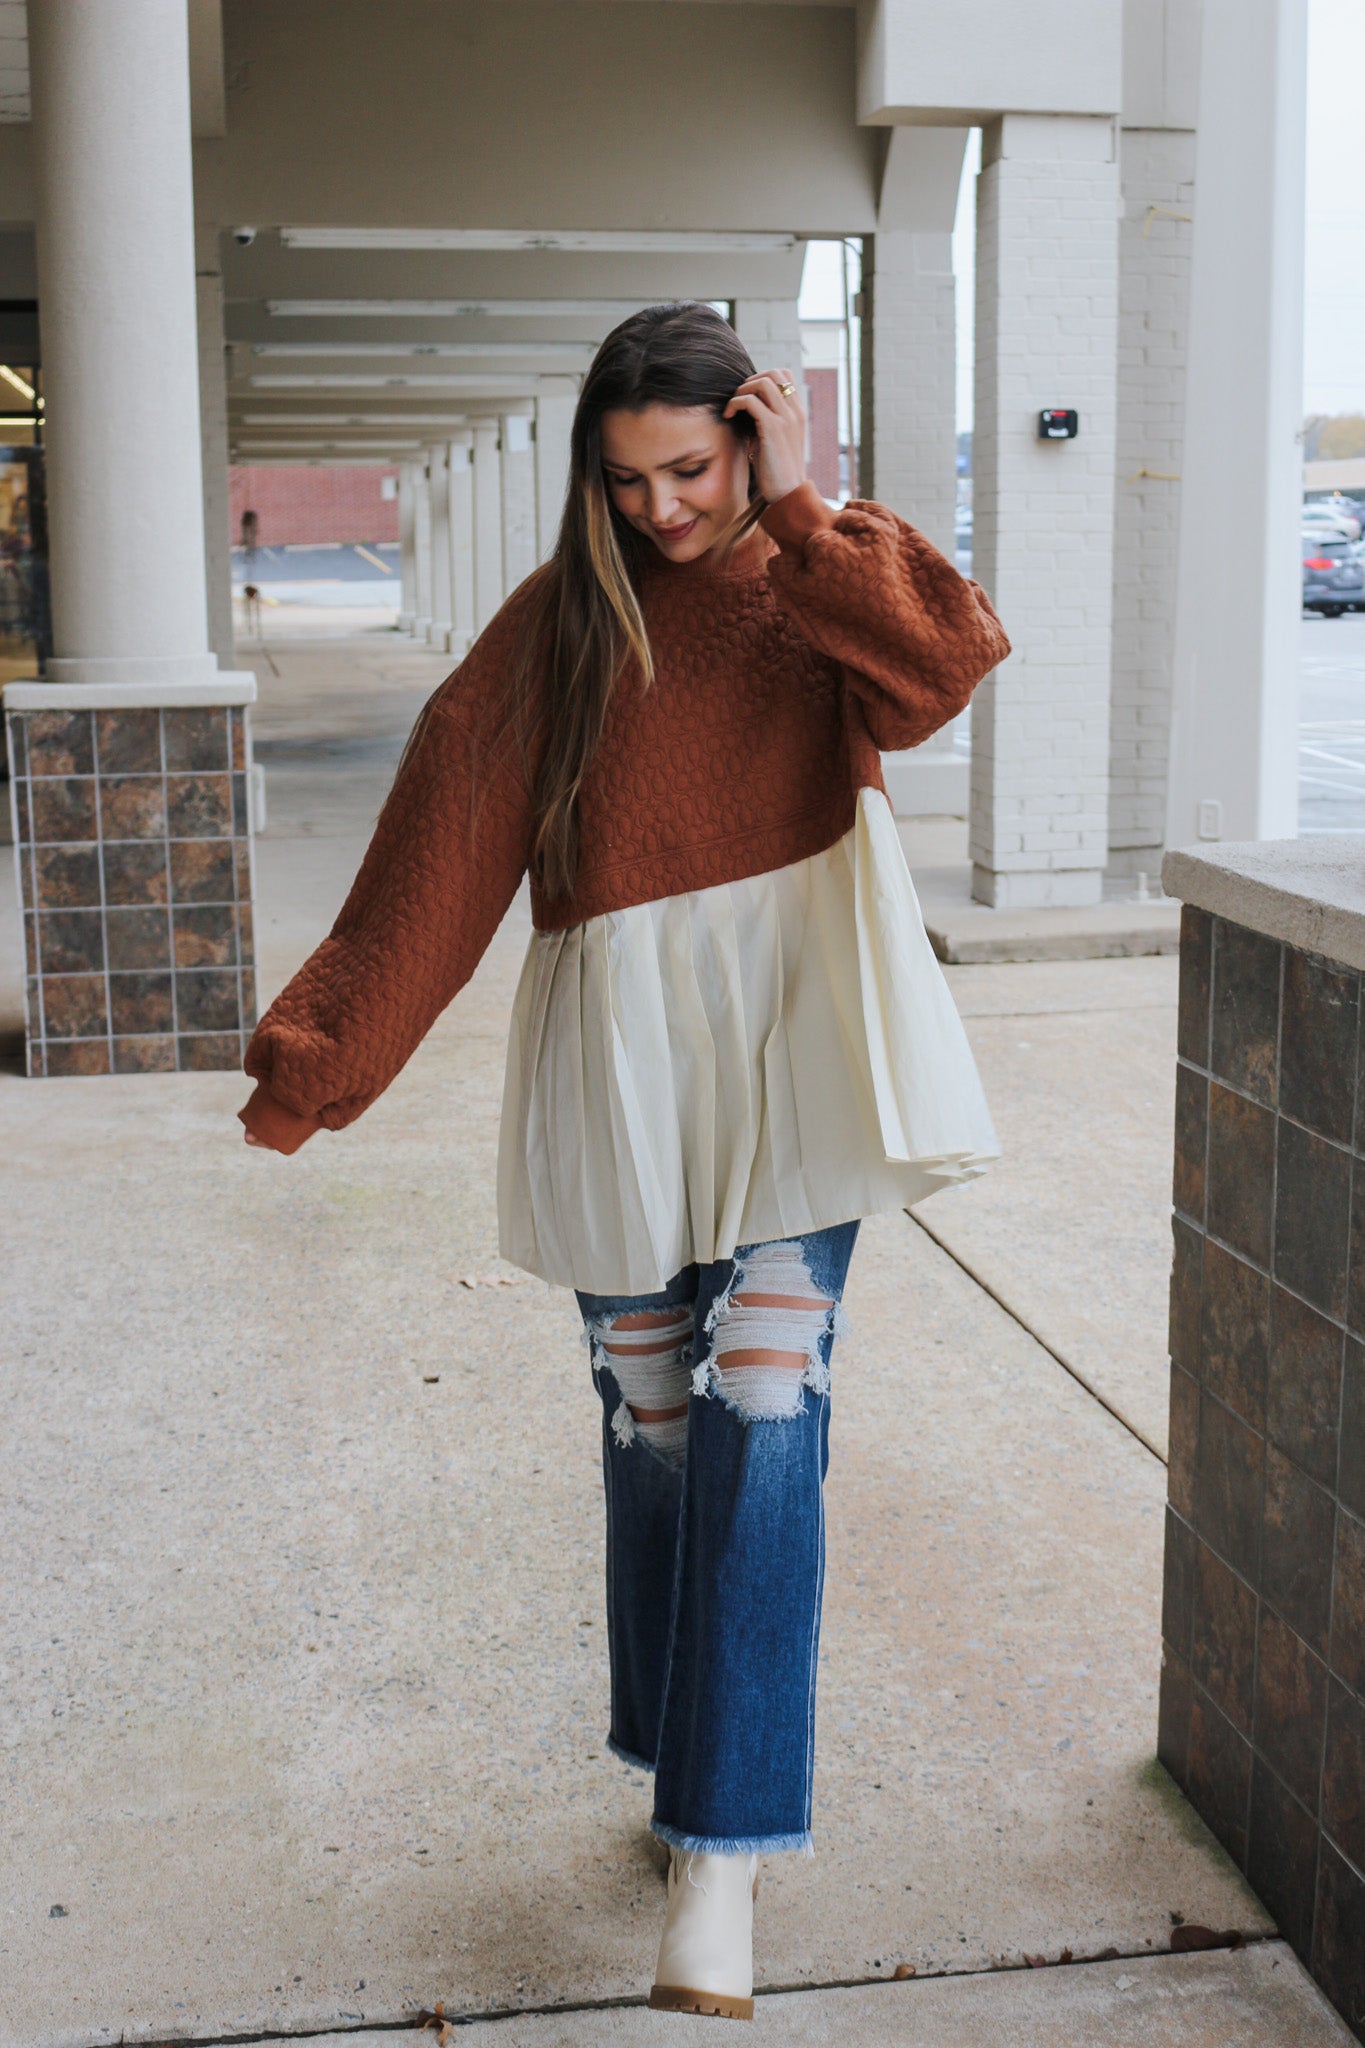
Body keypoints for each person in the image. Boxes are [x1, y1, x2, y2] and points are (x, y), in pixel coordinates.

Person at [237, 301, 1008, 2022]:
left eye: (691, 465)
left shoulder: (818, 576)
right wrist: (320, 1064)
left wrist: (803, 506)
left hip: (805, 1027)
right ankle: (681, 1764)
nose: (661, 507)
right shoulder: (558, 630)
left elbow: (947, 663)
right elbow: (437, 844)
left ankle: (723, 1859)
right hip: (620, 1048)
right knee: (654, 1417)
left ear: (750, 431)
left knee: (760, 1392)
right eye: (626, 477)